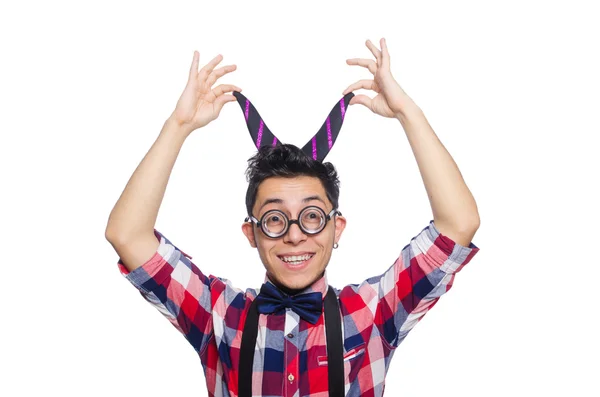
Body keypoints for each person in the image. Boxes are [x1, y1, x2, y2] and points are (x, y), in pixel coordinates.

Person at [105, 38, 480, 397]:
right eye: (274, 219)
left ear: (338, 227)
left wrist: (407, 113)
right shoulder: (219, 314)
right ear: (251, 233)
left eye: (312, 216)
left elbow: (457, 225)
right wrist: (178, 126)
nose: (295, 236)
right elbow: (128, 234)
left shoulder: (372, 312)